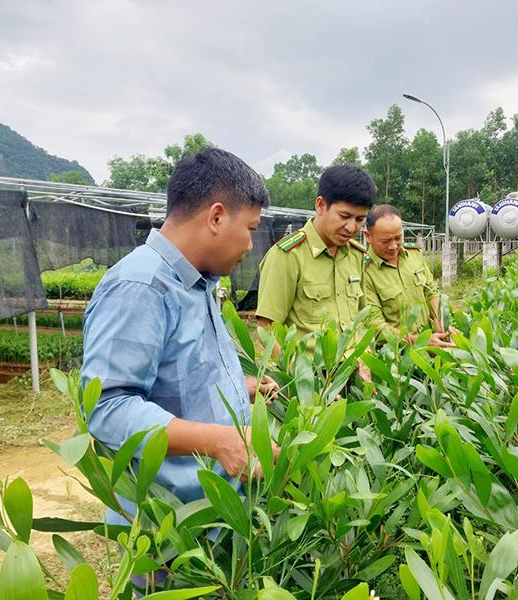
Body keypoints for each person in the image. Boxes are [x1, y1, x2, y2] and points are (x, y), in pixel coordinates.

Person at [81, 147, 279, 529]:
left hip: (213, 514)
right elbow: (108, 408)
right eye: (251, 230)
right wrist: (218, 441)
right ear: (216, 216)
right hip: (170, 526)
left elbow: (178, 376)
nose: (249, 246)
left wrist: (239, 387)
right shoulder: (142, 287)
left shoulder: (197, 282)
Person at [255, 164, 376, 350]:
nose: (351, 227)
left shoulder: (356, 255)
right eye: (344, 216)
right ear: (320, 205)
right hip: (309, 367)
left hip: (354, 366)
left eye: (360, 219)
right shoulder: (288, 256)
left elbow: (361, 319)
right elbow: (266, 329)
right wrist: (295, 367)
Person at [362, 204, 454, 347]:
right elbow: (375, 325)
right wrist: (418, 341)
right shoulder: (364, 272)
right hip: (396, 353)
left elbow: (431, 291)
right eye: (385, 241)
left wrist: (440, 323)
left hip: (432, 341)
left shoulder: (414, 255)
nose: (393, 246)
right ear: (368, 236)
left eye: (398, 238)